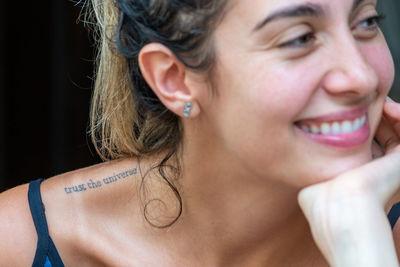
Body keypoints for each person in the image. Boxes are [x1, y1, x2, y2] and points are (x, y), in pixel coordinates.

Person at [1, 0, 400, 266]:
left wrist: (364, 247)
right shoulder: (20, 242)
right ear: (174, 79)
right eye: (299, 39)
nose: (361, 77)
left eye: (366, 22)